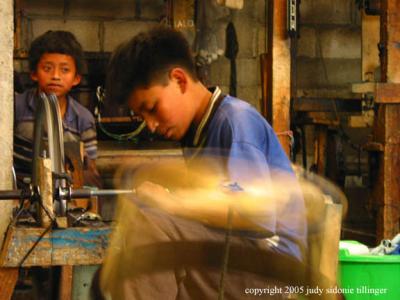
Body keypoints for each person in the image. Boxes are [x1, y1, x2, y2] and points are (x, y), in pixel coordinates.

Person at [99, 26, 307, 299]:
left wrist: (171, 203)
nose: (150, 125)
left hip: (270, 271)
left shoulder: (234, 121)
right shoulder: (198, 131)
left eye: (152, 108)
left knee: (152, 224)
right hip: (238, 260)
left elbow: (254, 217)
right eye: (142, 116)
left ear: (179, 80)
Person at [13, 30, 101, 188]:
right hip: (20, 195)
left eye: (65, 70)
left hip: (63, 196)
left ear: (76, 79)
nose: (55, 76)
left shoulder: (83, 119)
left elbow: (89, 169)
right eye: (47, 68)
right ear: (33, 73)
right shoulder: (16, 107)